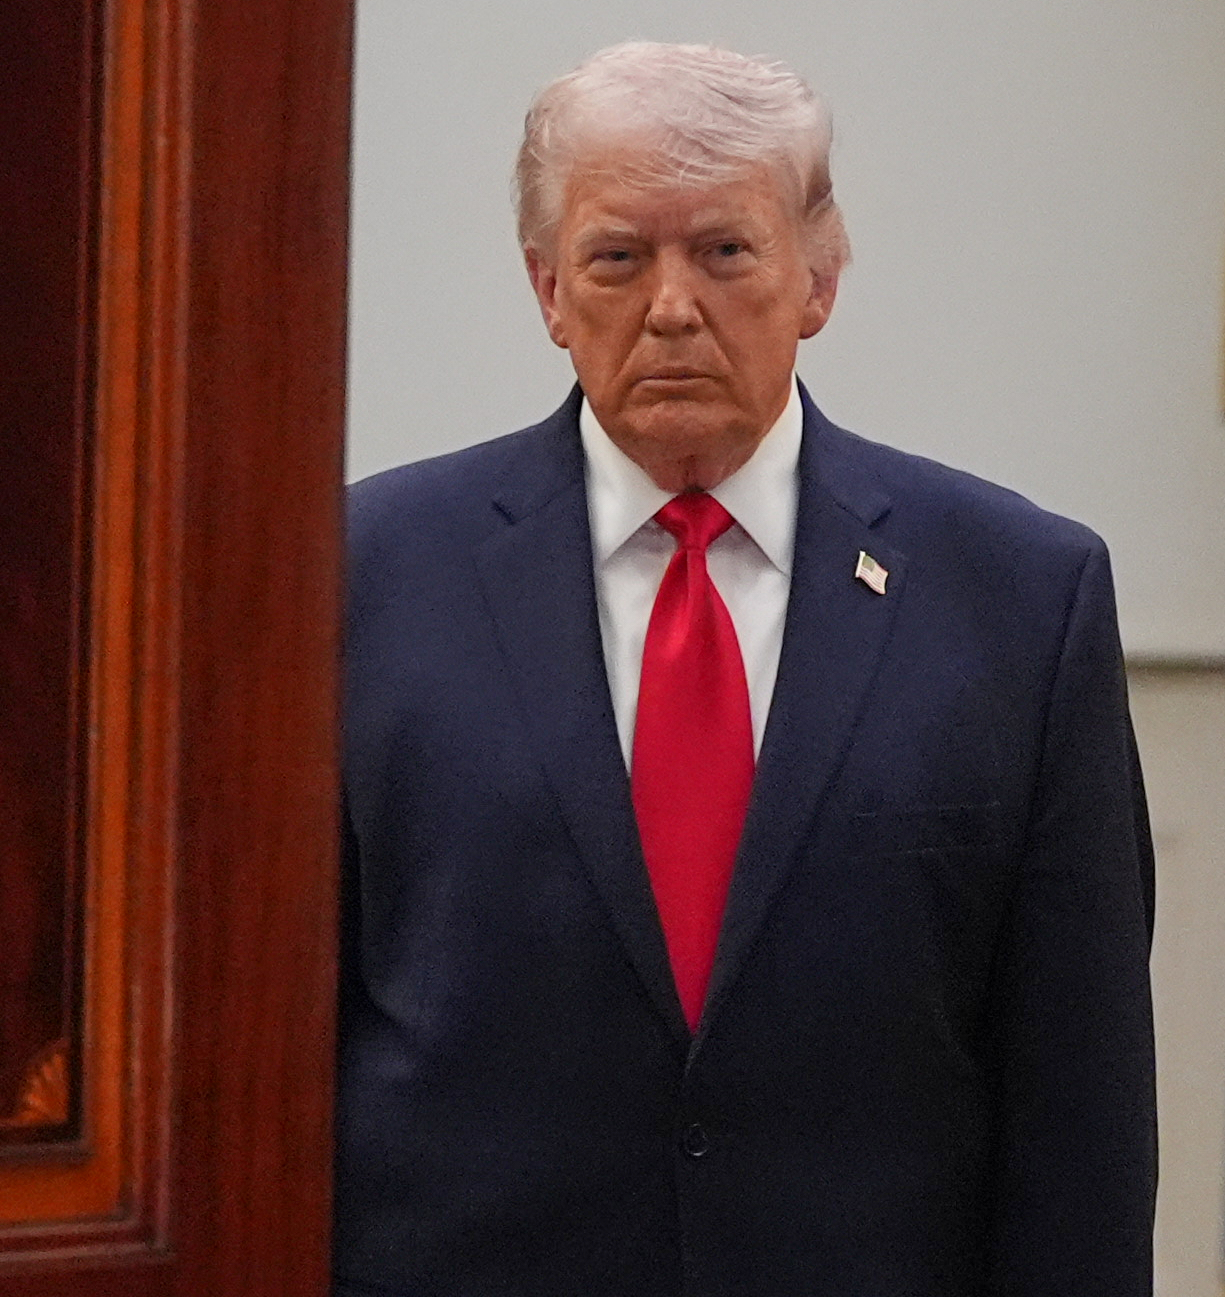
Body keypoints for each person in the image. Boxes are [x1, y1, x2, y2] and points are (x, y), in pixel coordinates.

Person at [335, 40, 1156, 1296]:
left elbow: (1080, 1103)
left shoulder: (1019, 597)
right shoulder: (361, 577)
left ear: (818, 277)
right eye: (618, 258)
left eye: (723, 251)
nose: (671, 305)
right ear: (548, 290)